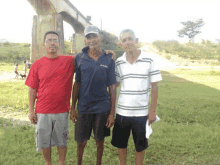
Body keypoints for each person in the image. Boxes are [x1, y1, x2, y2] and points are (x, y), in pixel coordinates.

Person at [25, 30, 115, 165]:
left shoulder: (69, 60)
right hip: (42, 110)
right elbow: (32, 89)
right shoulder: (37, 64)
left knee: (61, 140)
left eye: (55, 40)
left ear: (59, 43)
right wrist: (31, 110)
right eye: (49, 40)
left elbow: (90, 56)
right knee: (44, 142)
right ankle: (48, 163)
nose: (52, 43)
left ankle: (61, 163)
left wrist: (106, 52)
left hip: (62, 110)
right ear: (44, 44)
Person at [111, 29, 162, 165]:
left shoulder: (149, 60)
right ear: (121, 44)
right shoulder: (119, 62)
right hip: (122, 112)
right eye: (124, 40)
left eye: (130, 39)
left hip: (141, 113)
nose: (127, 42)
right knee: (121, 145)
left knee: (140, 146)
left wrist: (152, 111)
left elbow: (155, 87)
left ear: (136, 41)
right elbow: (114, 85)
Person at [70, 25, 116, 165]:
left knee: (99, 141)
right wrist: (73, 107)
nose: (92, 40)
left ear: (100, 38)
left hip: (102, 108)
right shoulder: (79, 57)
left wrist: (111, 112)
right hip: (84, 107)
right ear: (85, 40)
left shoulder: (109, 58)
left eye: (94, 36)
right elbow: (77, 83)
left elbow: (112, 87)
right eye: (88, 37)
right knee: (81, 142)